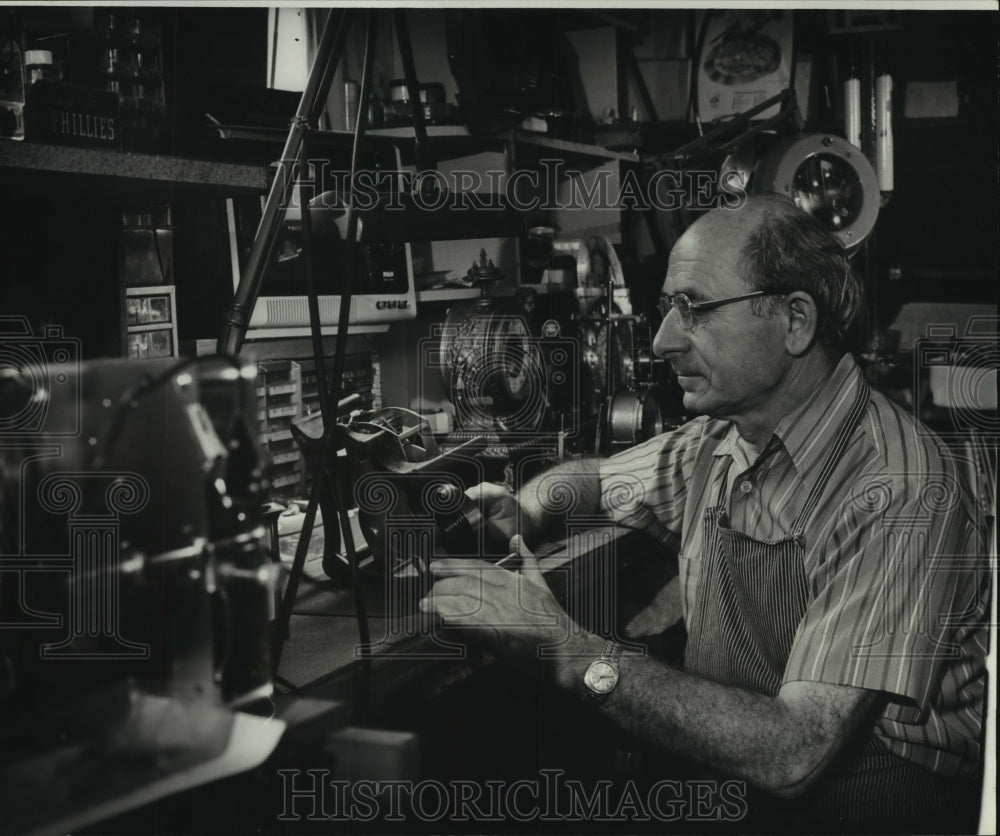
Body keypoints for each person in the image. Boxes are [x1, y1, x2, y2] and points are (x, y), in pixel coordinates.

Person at [419, 195, 991, 832]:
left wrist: (573, 650)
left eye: (694, 308)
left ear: (794, 320)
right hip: (739, 776)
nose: (664, 339)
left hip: (867, 801)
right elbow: (597, 481)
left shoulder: (899, 487)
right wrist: (524, 510)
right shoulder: (725, 436)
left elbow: (796, 753)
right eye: (669, 308)